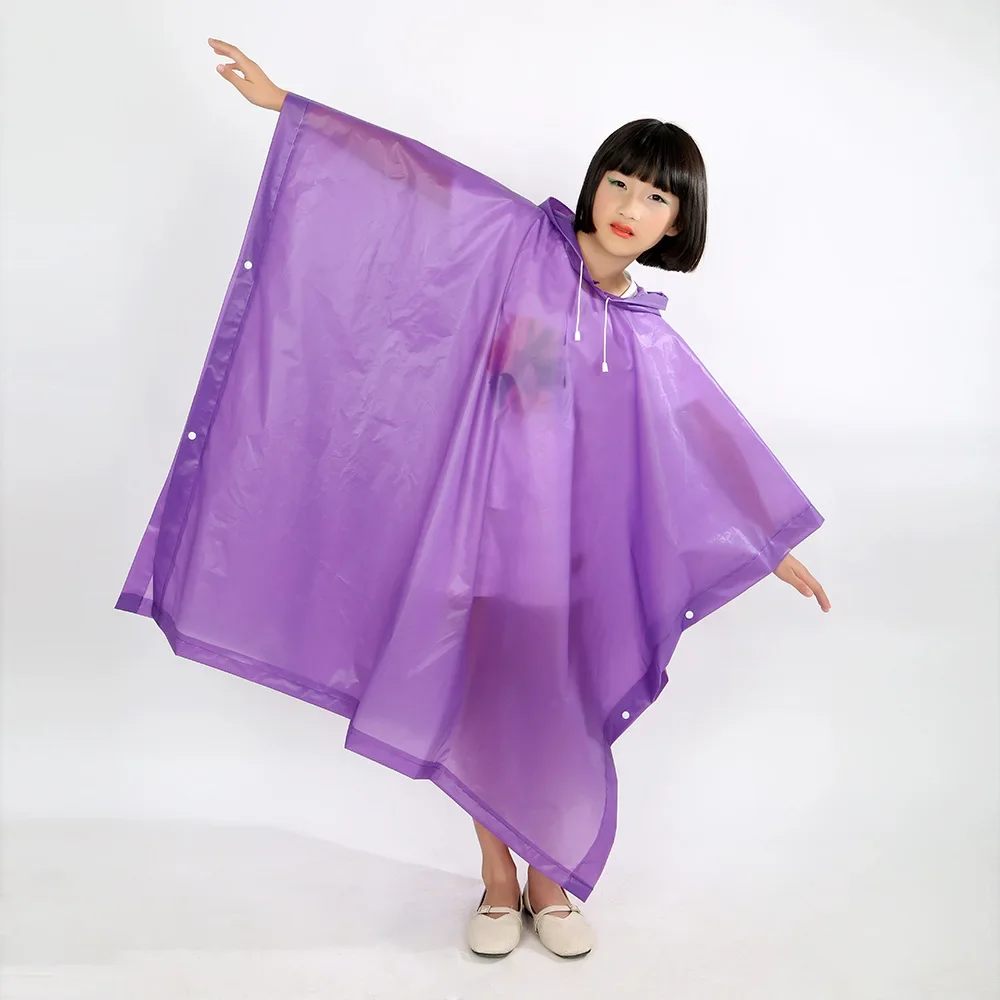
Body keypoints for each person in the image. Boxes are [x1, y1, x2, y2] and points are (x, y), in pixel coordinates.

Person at [146, 38, 832, 959]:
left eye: (656, 197)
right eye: (621, 182)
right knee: (476, 698)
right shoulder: (521, 245)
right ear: (596, 183)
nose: (630, 207)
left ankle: (547, 875)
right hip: (476, 525)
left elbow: (699, 439)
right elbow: (415, 184)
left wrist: (766, 541)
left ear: (679, 223)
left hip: (571, 553)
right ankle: (501, 878)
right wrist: (292, 111)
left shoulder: (641, 337)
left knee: (548, 706)